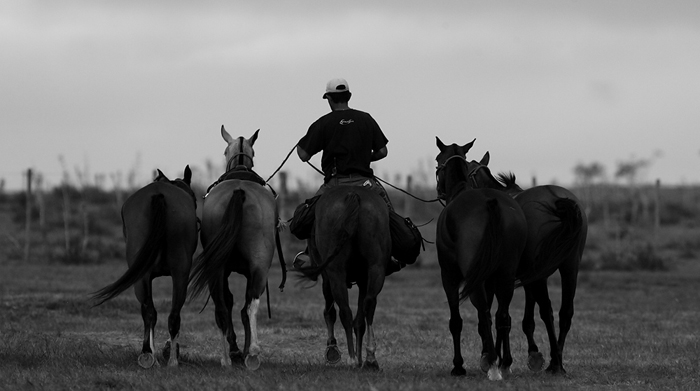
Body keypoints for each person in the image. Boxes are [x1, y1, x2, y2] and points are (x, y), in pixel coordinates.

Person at [292, 78, 403, 273]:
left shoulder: (323, 123)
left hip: (334, 184)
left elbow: (303, 154)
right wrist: (363, 157)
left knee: (311, 216)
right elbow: (383, 151)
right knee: (388, 214)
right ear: (349, 97)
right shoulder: (366, 119)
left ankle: (310, 255)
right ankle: (392, 253)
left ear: (329, 99)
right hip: (366, 183)